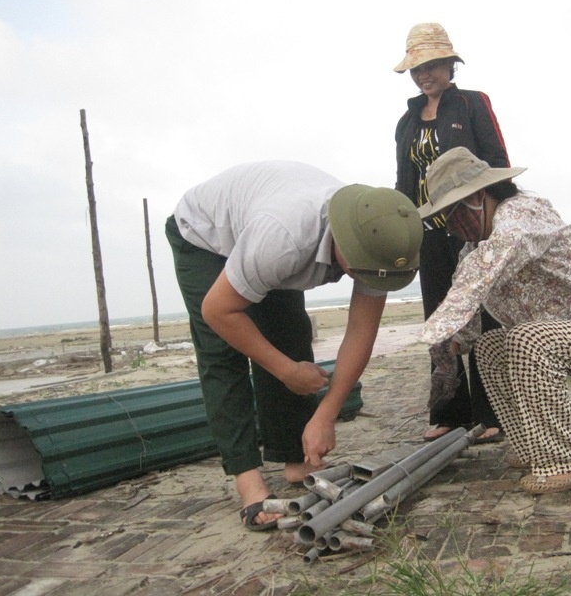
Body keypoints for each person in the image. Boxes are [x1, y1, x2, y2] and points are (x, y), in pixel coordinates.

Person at [165, 161, 422, 530]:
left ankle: (295, 458)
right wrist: (286, 371)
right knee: (223, 352)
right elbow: (218, 312)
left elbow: (360, 332)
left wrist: (326, 414)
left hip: (261, 228)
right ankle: (247, 478)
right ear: (344, 245)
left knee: (289, 335)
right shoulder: (286, 239)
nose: (364, 281)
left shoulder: (380, 242)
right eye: (359, 272)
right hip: (205, 236)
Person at [417, 147, 571, 494]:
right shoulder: (475, 250)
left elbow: (491, 260)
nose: (452, 225)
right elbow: (469, 304)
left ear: (477, 196)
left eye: (453, 212)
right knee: (491, 348)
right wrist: (447, 351)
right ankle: (534, 447)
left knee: (528, 340)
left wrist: (434, 329)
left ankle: (570, 463)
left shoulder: (522, 213)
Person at [394, 21, 509, 444]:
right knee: (440, 320)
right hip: (429, 232)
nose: (424, 75)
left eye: (431, 65)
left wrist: (500, 218)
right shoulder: (406, 122)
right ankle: (449, 411)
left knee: (482, 317)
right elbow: (403, 181)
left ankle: (493, 412)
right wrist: (403, 228)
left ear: (449, 65)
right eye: (416, 68)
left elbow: (496, 160)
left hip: (472, 229)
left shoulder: (472, 103)